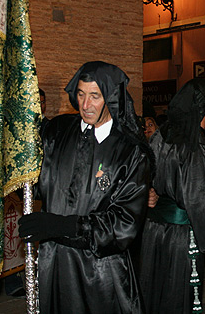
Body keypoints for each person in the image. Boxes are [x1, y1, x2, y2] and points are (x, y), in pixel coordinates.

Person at [18, 61, 152, 314]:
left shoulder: (131, 152)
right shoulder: (57, 131)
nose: (85, 105)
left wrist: (60, 226)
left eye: (94, 96)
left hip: (99, 272)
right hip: (54, 263)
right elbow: (36, 183)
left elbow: (123, 226)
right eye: (80, 94)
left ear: (111, 98)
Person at [139, 78, 205, 314]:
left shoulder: (161, 136)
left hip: (154, 232)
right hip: (181, 238)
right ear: (203, 105)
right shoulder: (195, 148)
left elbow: (142, 172)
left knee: (157, 295)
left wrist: (146, 192)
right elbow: (201, 203)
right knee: (178, 297)